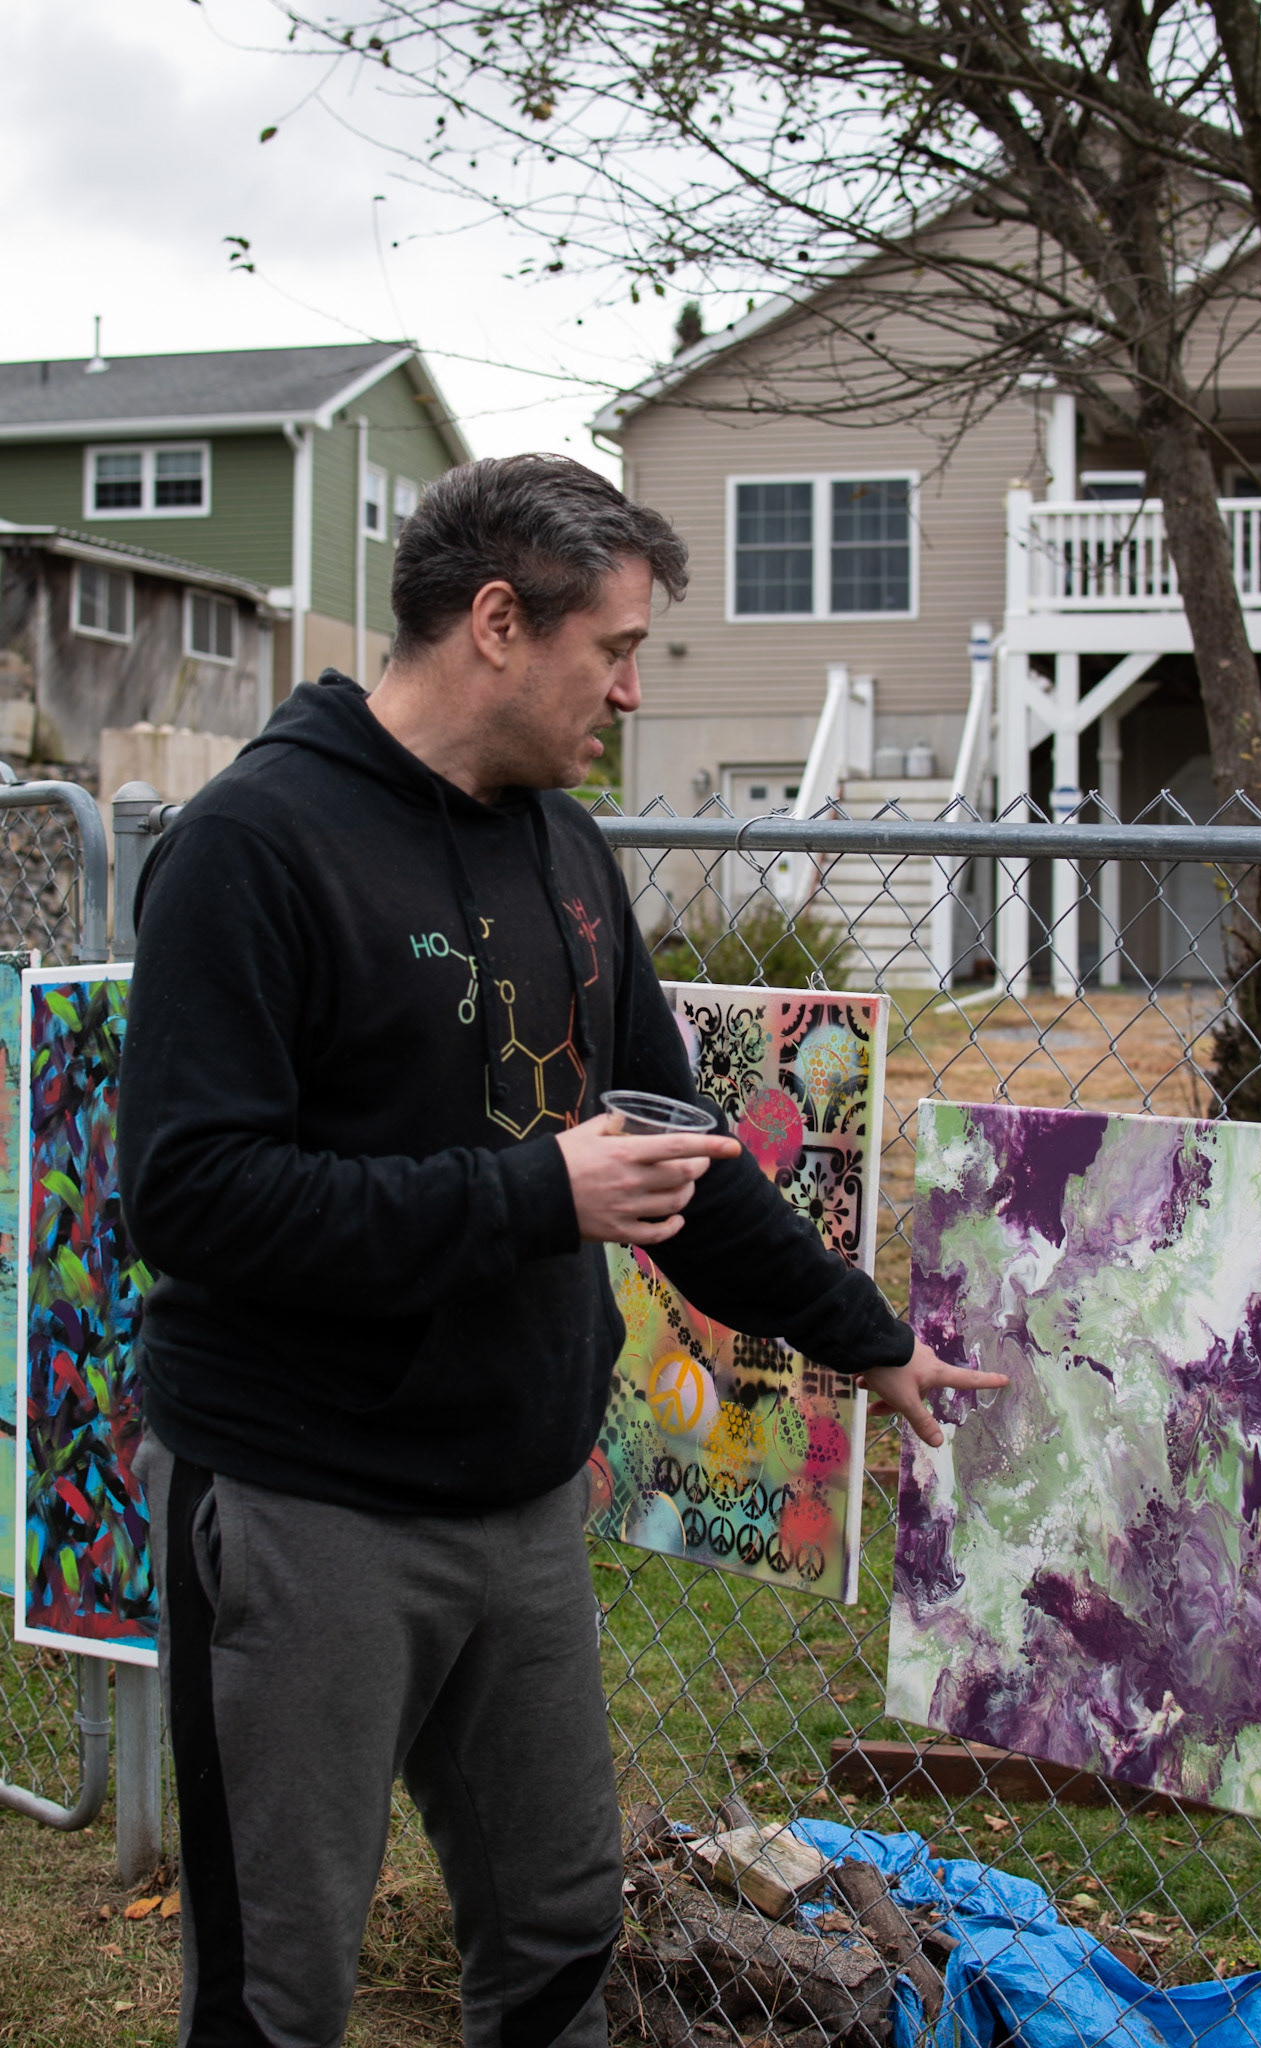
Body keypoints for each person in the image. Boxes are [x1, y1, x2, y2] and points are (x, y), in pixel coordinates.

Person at [119, 453, 1002, 2048]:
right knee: (276, 1988)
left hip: (520, 1502)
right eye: (616, 649)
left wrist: (864, 1338)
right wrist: (535, 1194)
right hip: (304, 1501)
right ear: (497, 622)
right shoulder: (252, 845)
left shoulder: (564, 851)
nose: (632, 692)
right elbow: (193, 1197)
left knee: (556, 1937)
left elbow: (675, 1158)